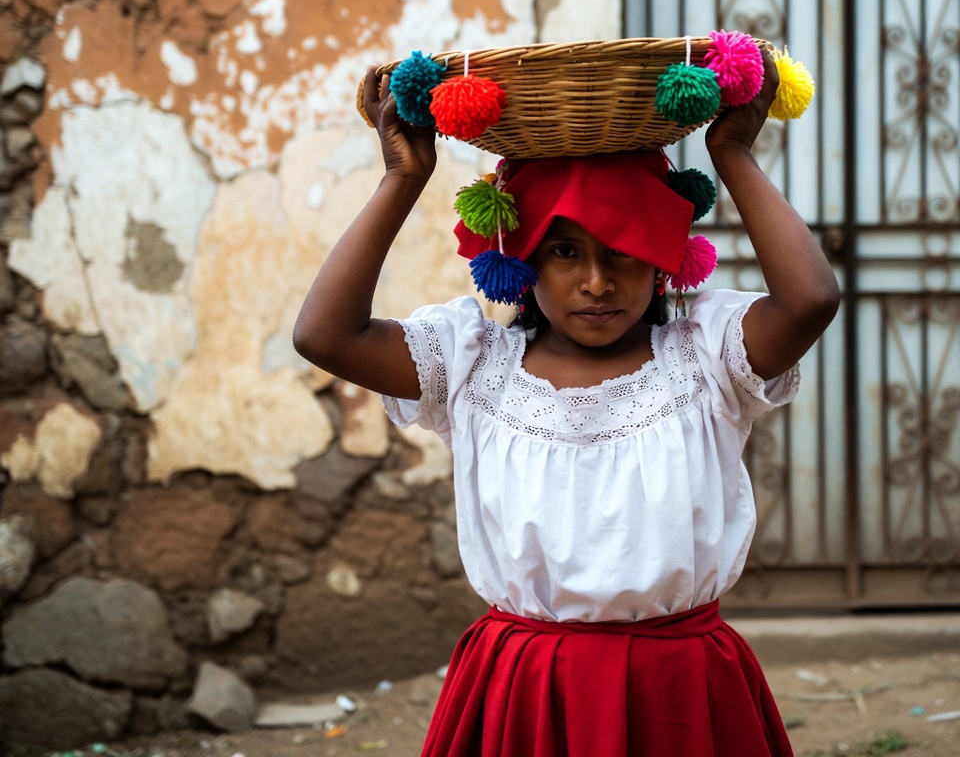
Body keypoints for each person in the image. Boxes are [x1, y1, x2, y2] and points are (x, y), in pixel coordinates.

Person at [293, 48, 840, 757]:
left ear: (663, 257)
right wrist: (404, 177)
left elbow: (811, 299)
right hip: (523, 688)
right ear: (520, 259)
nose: (596, 281)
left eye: (623, 250)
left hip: (680, 686)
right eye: (563, 252)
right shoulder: (472, 365)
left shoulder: (705, 357)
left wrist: (730, 152)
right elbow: (324, 335)